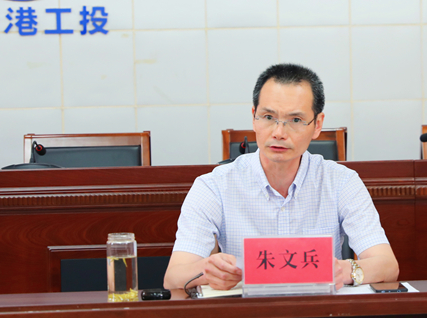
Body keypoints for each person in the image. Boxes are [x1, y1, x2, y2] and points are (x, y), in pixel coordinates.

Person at [164, 63, 399, 292]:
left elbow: (388, 266)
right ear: (254, 117)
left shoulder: (341, 182)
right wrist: (207, 270)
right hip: (247, 313)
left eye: (295, 120)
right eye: (268, 117)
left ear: (317, 125)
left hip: (321, 313)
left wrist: (345, 270)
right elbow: (173, 277)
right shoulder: (213, 186)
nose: (279, 133)